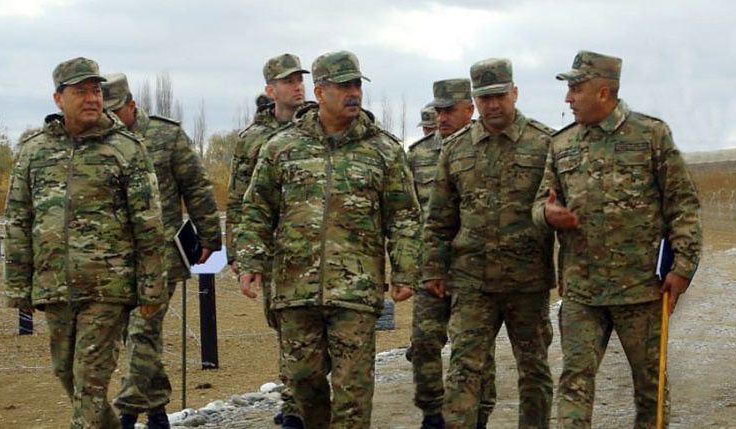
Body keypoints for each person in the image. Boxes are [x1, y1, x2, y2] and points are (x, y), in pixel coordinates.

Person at [236, 50, 421, 429]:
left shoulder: (383, 150)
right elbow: (257, 208)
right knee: (303, 387)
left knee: (353, 393)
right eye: (343, 86)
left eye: (357, 85)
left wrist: (406, 269)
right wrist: (250, 260)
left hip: (356, 292)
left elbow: (404, 215)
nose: (353, 93)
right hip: (295, 291)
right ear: (320, 92)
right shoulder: (282, 147)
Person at [532, 50, 703, 429]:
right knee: (574, 382)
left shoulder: (650, 136)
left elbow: (683, 205)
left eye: (575, 89)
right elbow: (539, 203)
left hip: (641, 290)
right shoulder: (561, 145)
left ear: (603, 92)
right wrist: (547, 214)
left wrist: (683, 268)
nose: (568, 98)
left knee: (650, 386)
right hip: (582, 292)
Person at [3, 57, 167, 429]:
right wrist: (18, 286)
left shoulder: (126, 149)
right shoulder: (33, 152)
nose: (92, 98)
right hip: (55, 288)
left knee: (90, 385)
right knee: (68, 376)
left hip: (108, 288)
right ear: (58, 98)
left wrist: (152, 288)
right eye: (81, 92)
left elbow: (149, 225)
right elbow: (18, 219)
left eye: (96, 90)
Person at [423, 59, 556, 429]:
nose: (493, 105)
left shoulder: (546, 144)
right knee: (464, 371)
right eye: (484, 98)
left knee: (534, 371)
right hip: (472, 282)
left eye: (499, 96)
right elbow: (439, 218)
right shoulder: (455, 149)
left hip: (527, 282)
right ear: (474, 100)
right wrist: (433, 269)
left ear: (515, 93)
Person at [101, 73, 223, 429]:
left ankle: (126, 415)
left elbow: (196, 186)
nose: (109, 119)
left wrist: (209, 237)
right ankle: (157, 413)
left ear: (131, 105)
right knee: (136, 334)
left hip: (162, 255)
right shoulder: (99, 142)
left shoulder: (166, 135)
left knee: (142, 330)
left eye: (115, 111)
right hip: (116, 259)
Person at [225, 53, 310, 428]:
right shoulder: (252, 139)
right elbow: (238, 198)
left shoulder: (319, 126)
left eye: (300, 80)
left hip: (316, 245)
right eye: (288, 81)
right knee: (285, 327)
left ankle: (300, 403)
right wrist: (238, 252)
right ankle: (295, 400)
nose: (297, 87)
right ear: (271, 90)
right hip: (274, 250)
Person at [408, 80, 496, 429]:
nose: (440, 117)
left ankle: (478, 416)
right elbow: (406, 212)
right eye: (438, 110)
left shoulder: (487, 148)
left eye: (448, 110)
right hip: (431, 268)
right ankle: (432, 414)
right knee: (424, 342)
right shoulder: (418, 155)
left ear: (468, 109)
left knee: (473, 350)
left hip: (473, 271)